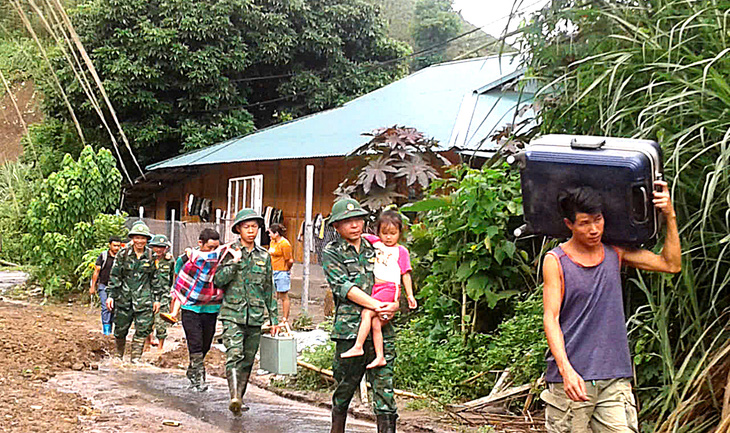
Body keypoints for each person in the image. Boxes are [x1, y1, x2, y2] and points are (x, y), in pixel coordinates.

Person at [541, 182, 681, 432]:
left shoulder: (615, 252)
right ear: (569, 225)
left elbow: (670, 264)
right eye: (584, 223)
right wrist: (566, 371)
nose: (594, 229)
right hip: (571, 382)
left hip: (614, 377)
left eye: (598, 220)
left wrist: (669, 214)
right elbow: (550, 318)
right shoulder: (555, 261)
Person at [322, 198, 400, 433]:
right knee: (345, 388)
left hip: (382, 328)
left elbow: (393, 279)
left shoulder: (377, 249)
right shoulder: (331, 252)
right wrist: (377, 305)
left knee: (385, 390)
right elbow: (343, 287)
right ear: (336, 226)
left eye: (358, 219)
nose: (354, 225)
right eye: (347, 221)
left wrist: (394, 305)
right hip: (349, 331)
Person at [214, 209, 279, 415]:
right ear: (238, 230)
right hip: (232, 313)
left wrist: (274, 318)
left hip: (255, 315)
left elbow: (269, 288)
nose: (251, 231)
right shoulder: (229, 252)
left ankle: (239, 398)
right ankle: (233, 396)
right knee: (234, 354)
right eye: (246, 227)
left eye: (254, 227)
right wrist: (235, 262)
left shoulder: (264, 256)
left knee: (248, 359)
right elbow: (218, 280)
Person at [341, 210, 417, 369]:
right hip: (377, 288)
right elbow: (360, 235)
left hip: (390, 288)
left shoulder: (401, 251)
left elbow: (406, 274)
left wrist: (410, 295)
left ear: (399, 233)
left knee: (367, 312)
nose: (388, 237)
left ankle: (358, 346)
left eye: (393, 233)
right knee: (376, 322)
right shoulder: (376, 243)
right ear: (378, 232)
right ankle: (380, 356)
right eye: (385, 233)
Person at [172, 228, 224, 391]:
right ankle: (199, 379)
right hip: (190, 307)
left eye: (216, 247)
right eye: (210, 248)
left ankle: (192, 369)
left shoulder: (220, 259)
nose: (213, 252)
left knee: (206, 344)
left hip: (211, 307)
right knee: (195, 342)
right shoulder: (188, 259)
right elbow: (180, 280)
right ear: (199, 244)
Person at [105, 222, 162, 363]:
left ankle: (135, 358)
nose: (140, 241)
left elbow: (155, 279)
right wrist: (111, 296)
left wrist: (157, 299)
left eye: (143, 238)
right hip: (124, 298)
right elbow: (115, 276)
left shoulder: (151, 256)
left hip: (144, 299)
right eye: (137, 237)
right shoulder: (123, 254)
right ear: (132, 238)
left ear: (147, 240)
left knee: (142, 329)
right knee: (120, 329)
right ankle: (119, 356)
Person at [90, 236, 122, 335]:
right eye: (114, 245)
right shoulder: (103, 256)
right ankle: (106, 330)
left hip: (117, 288)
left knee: (114, 309)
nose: (116, 248)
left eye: (118, 246)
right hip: (104, 285)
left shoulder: (121, 257)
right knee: (105, 307)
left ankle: (111, 329)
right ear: (110, 245)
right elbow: (96, 271)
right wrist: (92, 286)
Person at [147, 234, 174, 351]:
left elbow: (172, 276)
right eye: (156, 247)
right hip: (149, 293)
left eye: (162, 247)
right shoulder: (149, 259)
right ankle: (147, 344)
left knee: (160, 321)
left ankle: (160, 346)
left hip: (164, 294)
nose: (159, 250)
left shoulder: (170, 261)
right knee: (147, 319)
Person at [268, 223, 294, 323]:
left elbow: (289, 260)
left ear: (276, 233)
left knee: (283, 295)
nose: (269, 235)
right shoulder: (272, 242)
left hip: (282, 271)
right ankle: (273, 318)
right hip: (273, 271)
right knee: (273, 296)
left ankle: (284, 318)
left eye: (270, 233)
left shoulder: (285, 244)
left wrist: (285, 269)